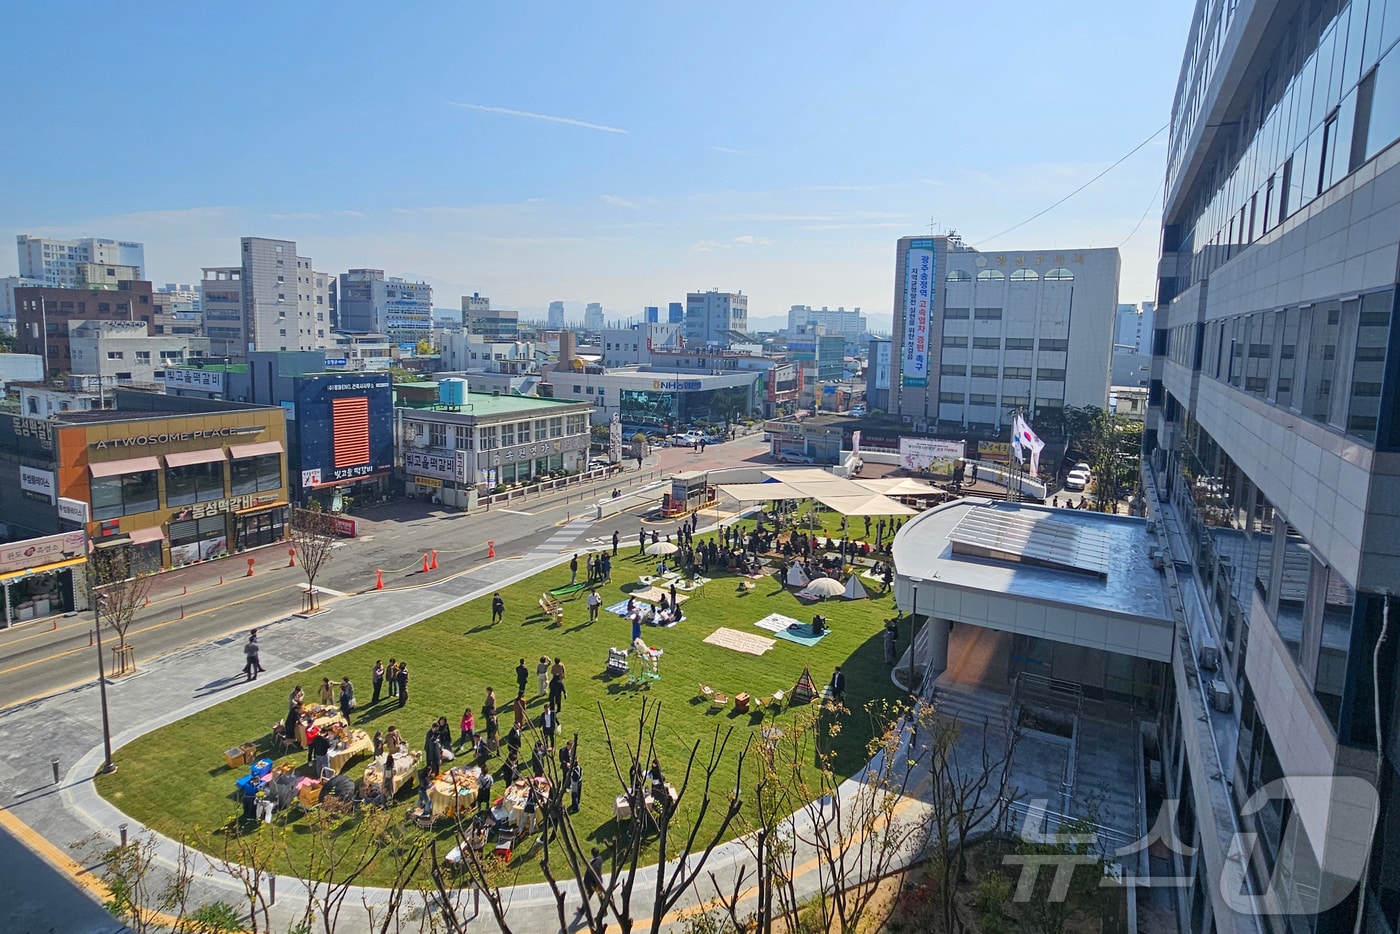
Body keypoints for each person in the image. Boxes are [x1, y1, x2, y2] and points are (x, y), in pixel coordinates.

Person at [578, 847, 605, 914]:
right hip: (598, 882)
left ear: (592, 853)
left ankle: (582, 910)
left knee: (589, 895)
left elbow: (590, 870)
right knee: (600, 896)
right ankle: (604, 911)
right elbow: (590, 862)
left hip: (592, 883)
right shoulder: (600, 859)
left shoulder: (592, 865)